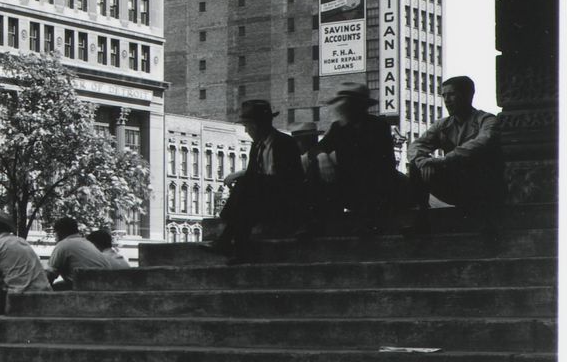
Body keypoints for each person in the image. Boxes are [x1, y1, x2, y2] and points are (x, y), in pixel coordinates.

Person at [204, 98, 304, 258]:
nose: (246, 131)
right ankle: (236, 248)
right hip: (261, 200)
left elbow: (291, 181)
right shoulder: (256, 146)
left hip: (284, 201)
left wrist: (254, 180)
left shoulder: (285, 143)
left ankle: (226, 242)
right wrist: (242, 176)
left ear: (257, 126)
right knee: (247, 195)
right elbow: (252, 174)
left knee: (247, 187)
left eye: (247, 126)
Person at [313, 83, 403, 235]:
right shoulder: (339, 127)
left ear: (358, 106)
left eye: (346, 103)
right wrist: (323, 157)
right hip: (350, 184)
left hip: (376, 187)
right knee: (314, 167)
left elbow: (383, 165)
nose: (341, 107)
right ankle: (324, 222)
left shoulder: (378, 126)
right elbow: (317, 148)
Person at [409, 76, 504, 215]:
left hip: (481, 185)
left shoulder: (487, 120)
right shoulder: (442, 124)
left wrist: (441, 160)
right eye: (444, 95)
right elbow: (417, 145)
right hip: (455, 183)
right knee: (415, 167)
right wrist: (422, 161)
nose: (447, 100)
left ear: (467, 95)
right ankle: (421, 218)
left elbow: (481, 142)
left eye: (452, 94)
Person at [46, 217, 111, 286]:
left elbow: (49, 277)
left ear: (59, 232)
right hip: (104, 287)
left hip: (84, 291)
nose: (54, 237)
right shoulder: (87, 243)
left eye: (54, 233)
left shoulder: (63, 245)